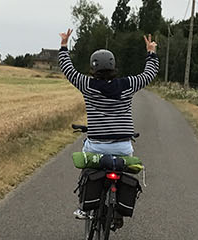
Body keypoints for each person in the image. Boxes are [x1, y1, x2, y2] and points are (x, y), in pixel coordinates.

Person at [59, 29, 159, 218]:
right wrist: (151, 52)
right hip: (123, 147)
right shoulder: (128, 84)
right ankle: (118, 209)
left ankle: (84, 208)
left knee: (88, 167)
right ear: (114, 65)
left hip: (96, 146)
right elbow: (149, 74)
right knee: (123, 169)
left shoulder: (87, 85)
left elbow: (68, 70)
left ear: (93, 67)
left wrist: (64, 46)